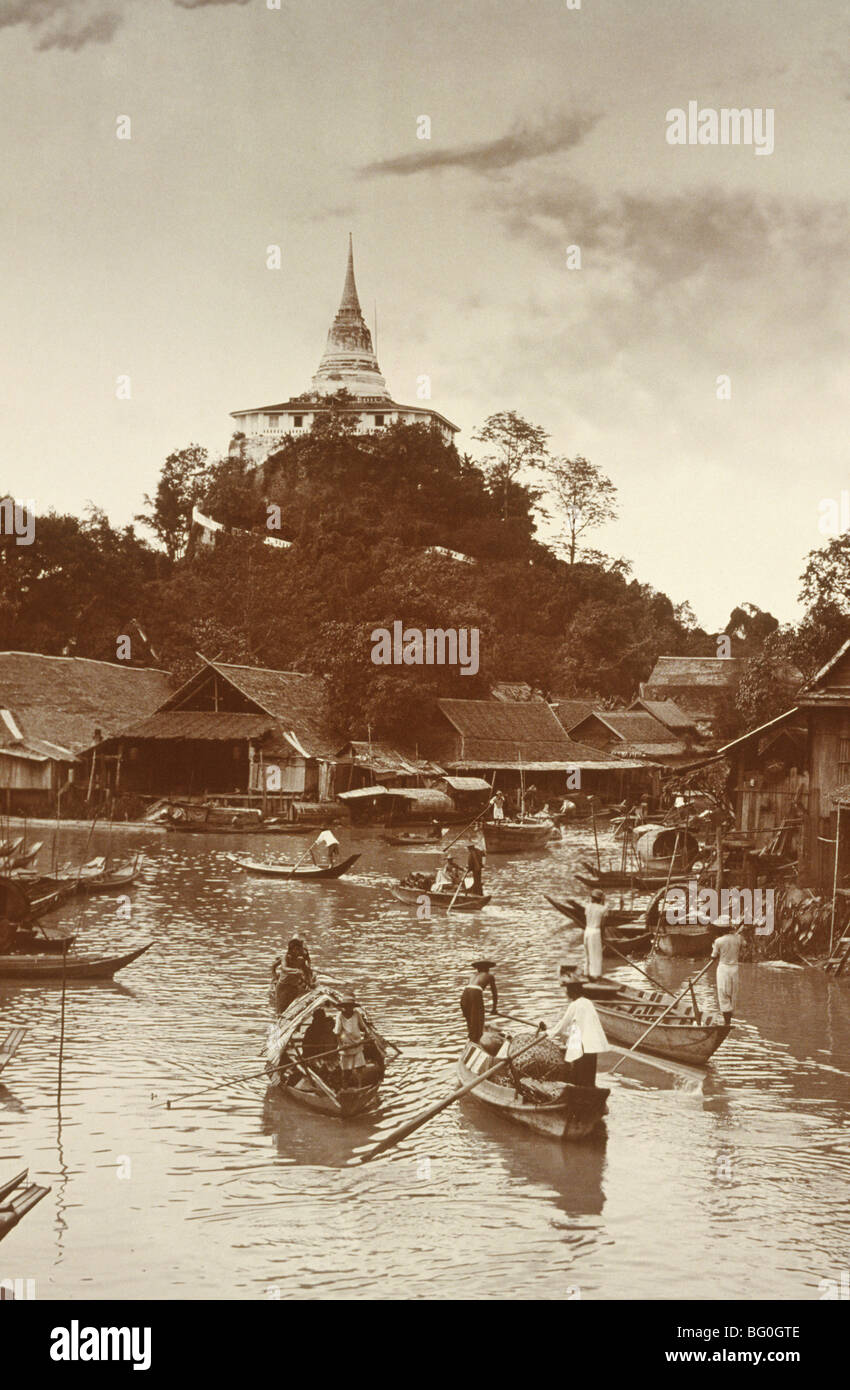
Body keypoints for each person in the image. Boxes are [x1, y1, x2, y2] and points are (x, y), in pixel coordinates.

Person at [551, 979, 608, 1087]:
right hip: (592, 1044)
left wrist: (549, 1033)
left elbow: (563, 1024)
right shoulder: (588, 1002)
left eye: (567, 991)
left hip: (582, 1044)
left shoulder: (575, 1005)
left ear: (573, 992)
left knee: (579, 1071)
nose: (566, 994)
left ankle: (579, 1091)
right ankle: (590, 1089)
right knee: (589, 1072)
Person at [334, 992, 368, 1086]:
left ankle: (359, 1086)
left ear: (353, 1007)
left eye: (350, 1006)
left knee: (359, 1068)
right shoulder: (340, 1016)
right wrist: (341, 1045)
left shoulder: (357, 1014)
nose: (349, 1008)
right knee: (346, 1069)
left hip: (357, 1045)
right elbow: (337, 1033)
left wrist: (367, 1035)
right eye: (347, 1006)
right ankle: (345, 1086)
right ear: (344, 1006)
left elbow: (363, 1027)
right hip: (346, 1047)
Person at [711, 924, 742, 1026]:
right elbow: (745, 945)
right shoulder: (738, 938)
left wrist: (715, 948)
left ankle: (727, 1023)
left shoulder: (718, 941)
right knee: (733, 993)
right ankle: (728, 1021)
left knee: (723, 993)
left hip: (723, 968)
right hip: (735, 968)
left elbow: (713, 956)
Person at [460, 959, 498, 1041]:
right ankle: (476, 1040)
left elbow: (470, 990)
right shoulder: (489, 976)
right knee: (478, 1022)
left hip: (464, 994)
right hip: (475, 993)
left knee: (470, 1021)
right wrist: (494, 1009)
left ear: (477, 969)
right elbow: (494, 994)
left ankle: (471, 1039)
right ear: (487, 969)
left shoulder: (472, 975)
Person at [302, 1006, 337, 1074]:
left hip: (322, 1055)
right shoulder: (313, 1029)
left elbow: (332, 1046)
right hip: (313, 1055)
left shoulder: (325, 1031)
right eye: (320, 1018)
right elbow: (308, 1046)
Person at [583, 889, 607, 980]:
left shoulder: (587, 906)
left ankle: (586, 973)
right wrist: (603, 937)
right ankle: (595, 976)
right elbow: (603, 924)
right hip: (595, 931)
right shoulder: (603, 909)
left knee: (587, 954)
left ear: (592, 898)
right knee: (596, 955)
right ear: (601, 899)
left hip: (587, 930)